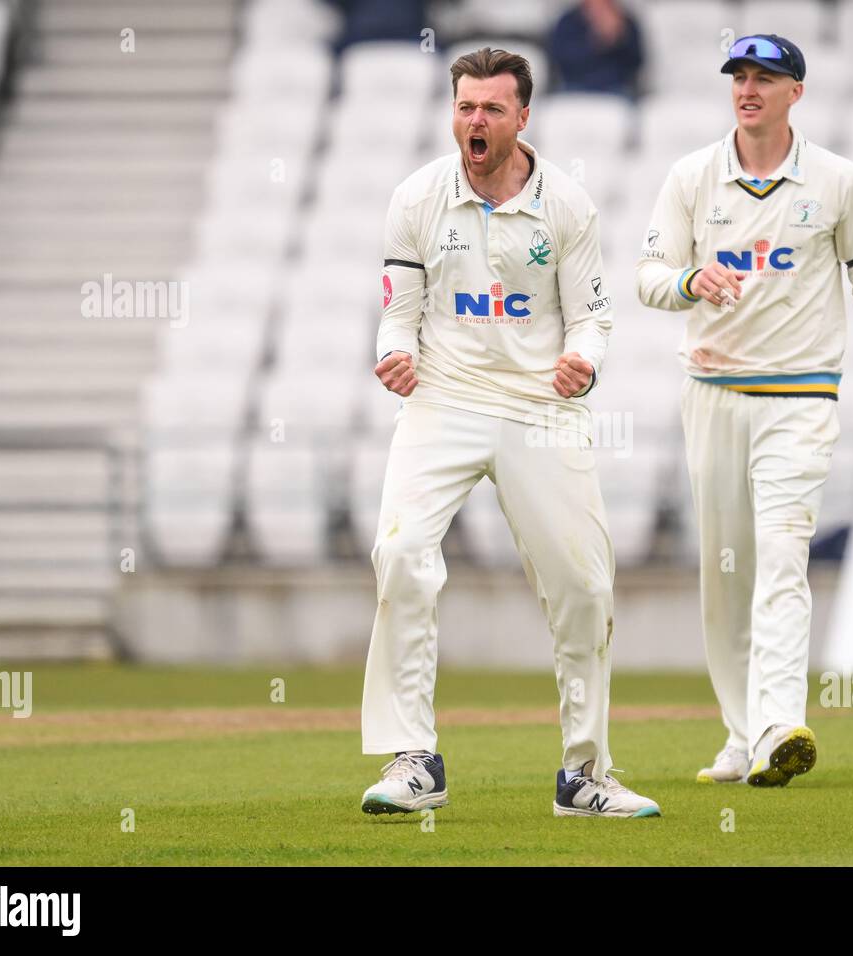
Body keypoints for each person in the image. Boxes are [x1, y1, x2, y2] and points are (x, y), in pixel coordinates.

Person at [361, 48, 659, 819]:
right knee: (398, 550)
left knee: (586, 584)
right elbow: (399, 310)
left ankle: (584, 775)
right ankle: (415, 759)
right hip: (445, 399)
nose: (476, 122)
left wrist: (580, 367)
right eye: (465, 107)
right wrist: (393, 353)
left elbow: (593, 317)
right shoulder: (417, 198)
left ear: (523, 116)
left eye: (492, 109)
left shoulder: (566, 204)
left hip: (540, 405)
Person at [636, 34, 853, 787]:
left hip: (799, 400)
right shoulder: (691, 177)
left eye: (765, 77)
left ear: (795, 92)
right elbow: (646, 273)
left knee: (781, 556)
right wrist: (687, 282)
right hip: (712, 393)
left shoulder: (836, 181)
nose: (748, 88)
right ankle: (741, 736)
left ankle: (778, 726)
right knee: (726, 574)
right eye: (739, 76)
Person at [548, 0, 644, 97]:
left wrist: (620, 37)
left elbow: (636, 62)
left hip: (615, 90)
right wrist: (596, 41)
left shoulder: (625, 23)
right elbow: (560, 60)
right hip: (574, 89)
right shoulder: (567, 22)